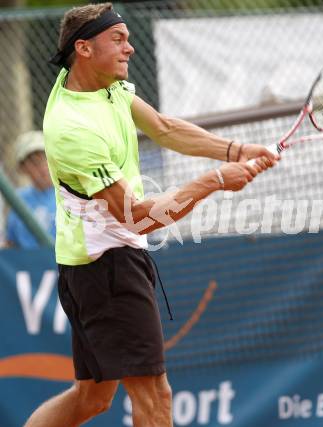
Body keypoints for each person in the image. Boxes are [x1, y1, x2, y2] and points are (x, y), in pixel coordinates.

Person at [24, 3, 279, 427]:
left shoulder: (101, 85)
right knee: (155, 395)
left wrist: (236, 151)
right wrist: (215, 179)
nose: (131, 48)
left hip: (94, 264)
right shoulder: (72, 130)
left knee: (91, 398)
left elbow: (163, 127)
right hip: (107, 267)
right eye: (118, 40)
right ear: (84, 48)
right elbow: (139, 218)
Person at [6, 130, 56, 249]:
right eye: (34, 162)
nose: (43, 166)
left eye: (46, 158)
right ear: (22, 168)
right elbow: (11, 243)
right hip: (30, 265)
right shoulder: (18, 199)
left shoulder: (70, 193)